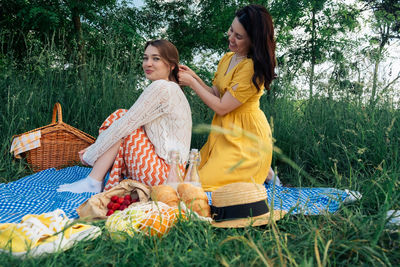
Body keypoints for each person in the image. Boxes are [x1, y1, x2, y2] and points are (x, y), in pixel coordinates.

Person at [57, 39, 192, 193]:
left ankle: (93, 181)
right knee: (124, 119)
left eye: (156, 59)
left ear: (172, 65)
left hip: (163, 176)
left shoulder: (161, 87)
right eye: (145, 58)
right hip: (174, 174)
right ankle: (94, 181)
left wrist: (91, 153)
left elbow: (125, 124)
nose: (148, 63)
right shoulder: (172, 88)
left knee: (122, 117)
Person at [178, 4, 280, 192]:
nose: (231, 38)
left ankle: (261, 169)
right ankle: (265, 173)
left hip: (245, 138)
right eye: (231, 30)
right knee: (190, 178)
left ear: (253, 40)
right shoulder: (228, 58)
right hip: (224, 133)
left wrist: (192, 83)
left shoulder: (251, 68)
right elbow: (217, 94)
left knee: (202, 185)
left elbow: (222, 107)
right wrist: (194, 77)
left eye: (238, 36)